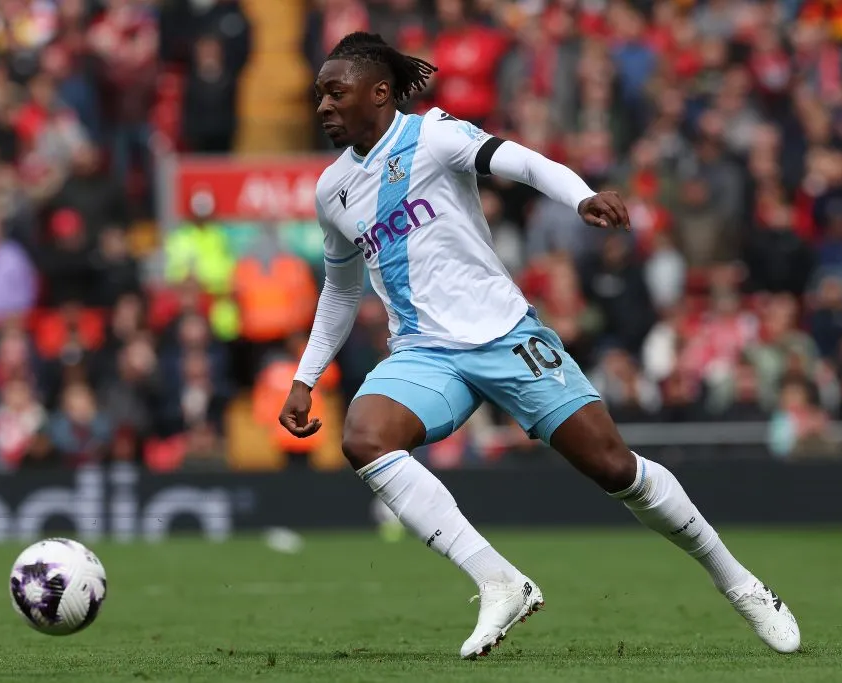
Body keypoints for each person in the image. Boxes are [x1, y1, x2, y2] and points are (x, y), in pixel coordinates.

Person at [279, 31, 800, 660]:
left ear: (380, 92)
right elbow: (340, 290)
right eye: (319, 97)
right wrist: (306, 377)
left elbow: (521, 161)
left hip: (504, 335)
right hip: (424, 352)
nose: (323, 106)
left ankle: (738, 582)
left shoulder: (433, 136)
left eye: (335, 92)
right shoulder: (332, 191)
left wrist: (581, 195)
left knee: (615, 468)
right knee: (365, 437)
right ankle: (497, 580)